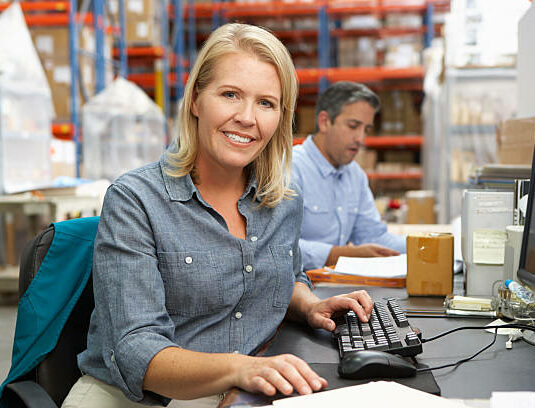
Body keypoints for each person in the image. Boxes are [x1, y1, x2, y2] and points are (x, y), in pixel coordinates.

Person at [62, 24, 373, 408]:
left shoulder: (283, 201)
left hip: (240, 389)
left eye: (266, 103)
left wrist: (309, 306)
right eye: (230, 95)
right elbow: (137, 349)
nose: (247, 117)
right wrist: (239, 370)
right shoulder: (135, 200)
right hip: (135, 397)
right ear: (195, 100)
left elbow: (285, 276)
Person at [292, 81, 406, 271]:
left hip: (334, 286)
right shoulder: (290, 169)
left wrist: (428, 246)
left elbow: (373, 237)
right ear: (324, 122)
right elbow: (276, 247)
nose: (361, 139)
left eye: (366, 130)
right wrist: (340, 254)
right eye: (353, 126)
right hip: (294, 290)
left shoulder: (355, 175)